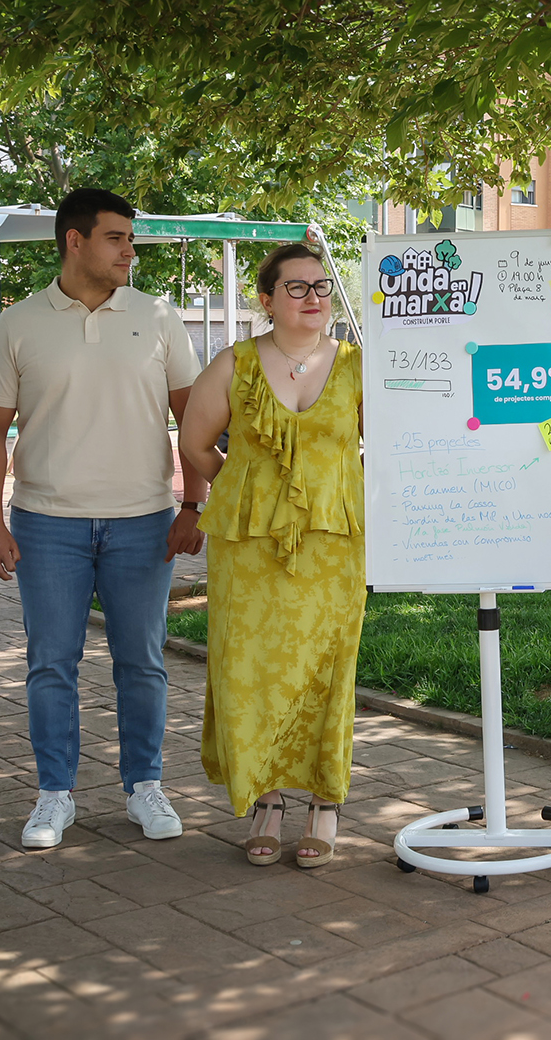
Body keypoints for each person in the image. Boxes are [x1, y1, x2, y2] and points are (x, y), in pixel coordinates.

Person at [0, 188, 207, 850]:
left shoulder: (158, 316)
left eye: (131, 239)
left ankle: (145, 786)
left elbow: (195, 417)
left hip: (143, 519)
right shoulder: (19, 323)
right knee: (51, 663)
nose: (130, 250)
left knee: (144, 662)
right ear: (75, 241)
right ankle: (54, 794)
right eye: (117, 238)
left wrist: (193, 504)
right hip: (47, 524)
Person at [178, 243, 364, 867]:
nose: (314, 298)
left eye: (321, 287)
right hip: (250, 549)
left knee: (326, 668)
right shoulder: (234, 365)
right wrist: (250, 487)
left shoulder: (357, 366)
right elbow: (197, 444)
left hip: (332, 547)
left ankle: (324, 801)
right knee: (249, 669)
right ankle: (266, 800)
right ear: (265, 300)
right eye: (297, 288)